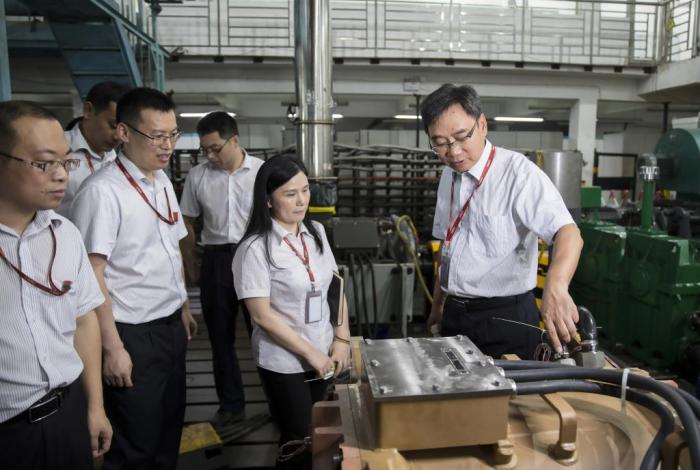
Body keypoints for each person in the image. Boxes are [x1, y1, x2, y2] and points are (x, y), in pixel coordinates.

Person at [71, 87, 198, 470]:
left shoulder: (161, 181)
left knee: (168, 430)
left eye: (172, 134)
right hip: (132, 334)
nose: (167, 145)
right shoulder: (102, 192)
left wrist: (183, 305)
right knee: (136, 443)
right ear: (124, 132)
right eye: (156, 136)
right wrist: (112, 348)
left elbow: (171, 248)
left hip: (169, 326)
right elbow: (92, 275)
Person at [422, 83, 583, 359]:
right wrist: (438, 306)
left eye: (462, 137)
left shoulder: (518, 174)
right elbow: (448, 248)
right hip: (455, 316)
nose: (454, 151)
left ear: (482, 125)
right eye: (440, 143)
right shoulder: (449, 177)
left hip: (506, 320)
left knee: (512, 389)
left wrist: (556, 286)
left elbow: (568, 233)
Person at [0, 101, 112, 469]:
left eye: (66, 162)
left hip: (68, 414)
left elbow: (83, 320)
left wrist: (95, 407)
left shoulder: (65, 235)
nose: (61, 175)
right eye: (44, 163)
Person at [232, 156, 351, 469]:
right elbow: (261, 316)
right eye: (290, 193)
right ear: (268, 200)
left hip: (326, 353)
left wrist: (342, 339)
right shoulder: (254, 249)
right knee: (298, 440)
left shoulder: (317, 232)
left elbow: (336, 287)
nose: (301, 201)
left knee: (327, 436)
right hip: (285, 363)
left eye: (305, 190)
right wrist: (312, 355)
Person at [180, 111, 263, 427]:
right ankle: (231, 405)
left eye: (215, 148)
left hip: (256, 258)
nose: (210, 156)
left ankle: (278, 398)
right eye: (205, 150)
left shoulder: (262, 173)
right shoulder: (197, 176)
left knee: (265, 332)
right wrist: (190, 265)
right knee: (220, 336)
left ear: (235, 140)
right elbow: (187, 221)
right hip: (216, 261)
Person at [56, 81, 130, 217]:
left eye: (124, 130)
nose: (117, 136)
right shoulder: (56, 148)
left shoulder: (115, 158)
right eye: (113, 126)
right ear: (88, 110)